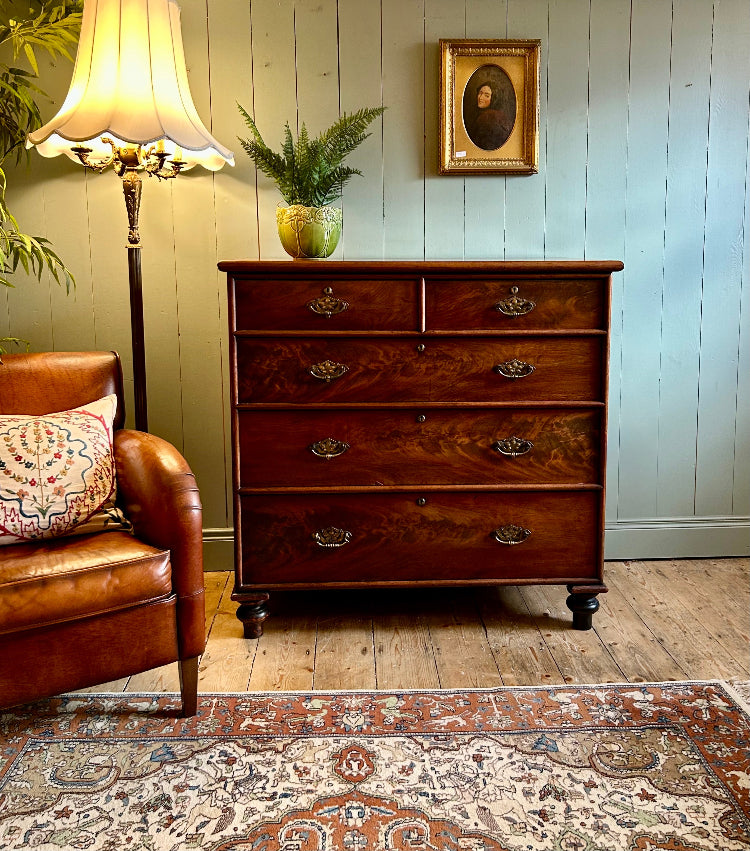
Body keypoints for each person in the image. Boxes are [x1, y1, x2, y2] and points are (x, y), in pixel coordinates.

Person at [465, 80, 514, 151]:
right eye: (480, 93)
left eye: (486, 96)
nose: (480, 98)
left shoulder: (488, 117)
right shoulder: (492, 114)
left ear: (494, 98)